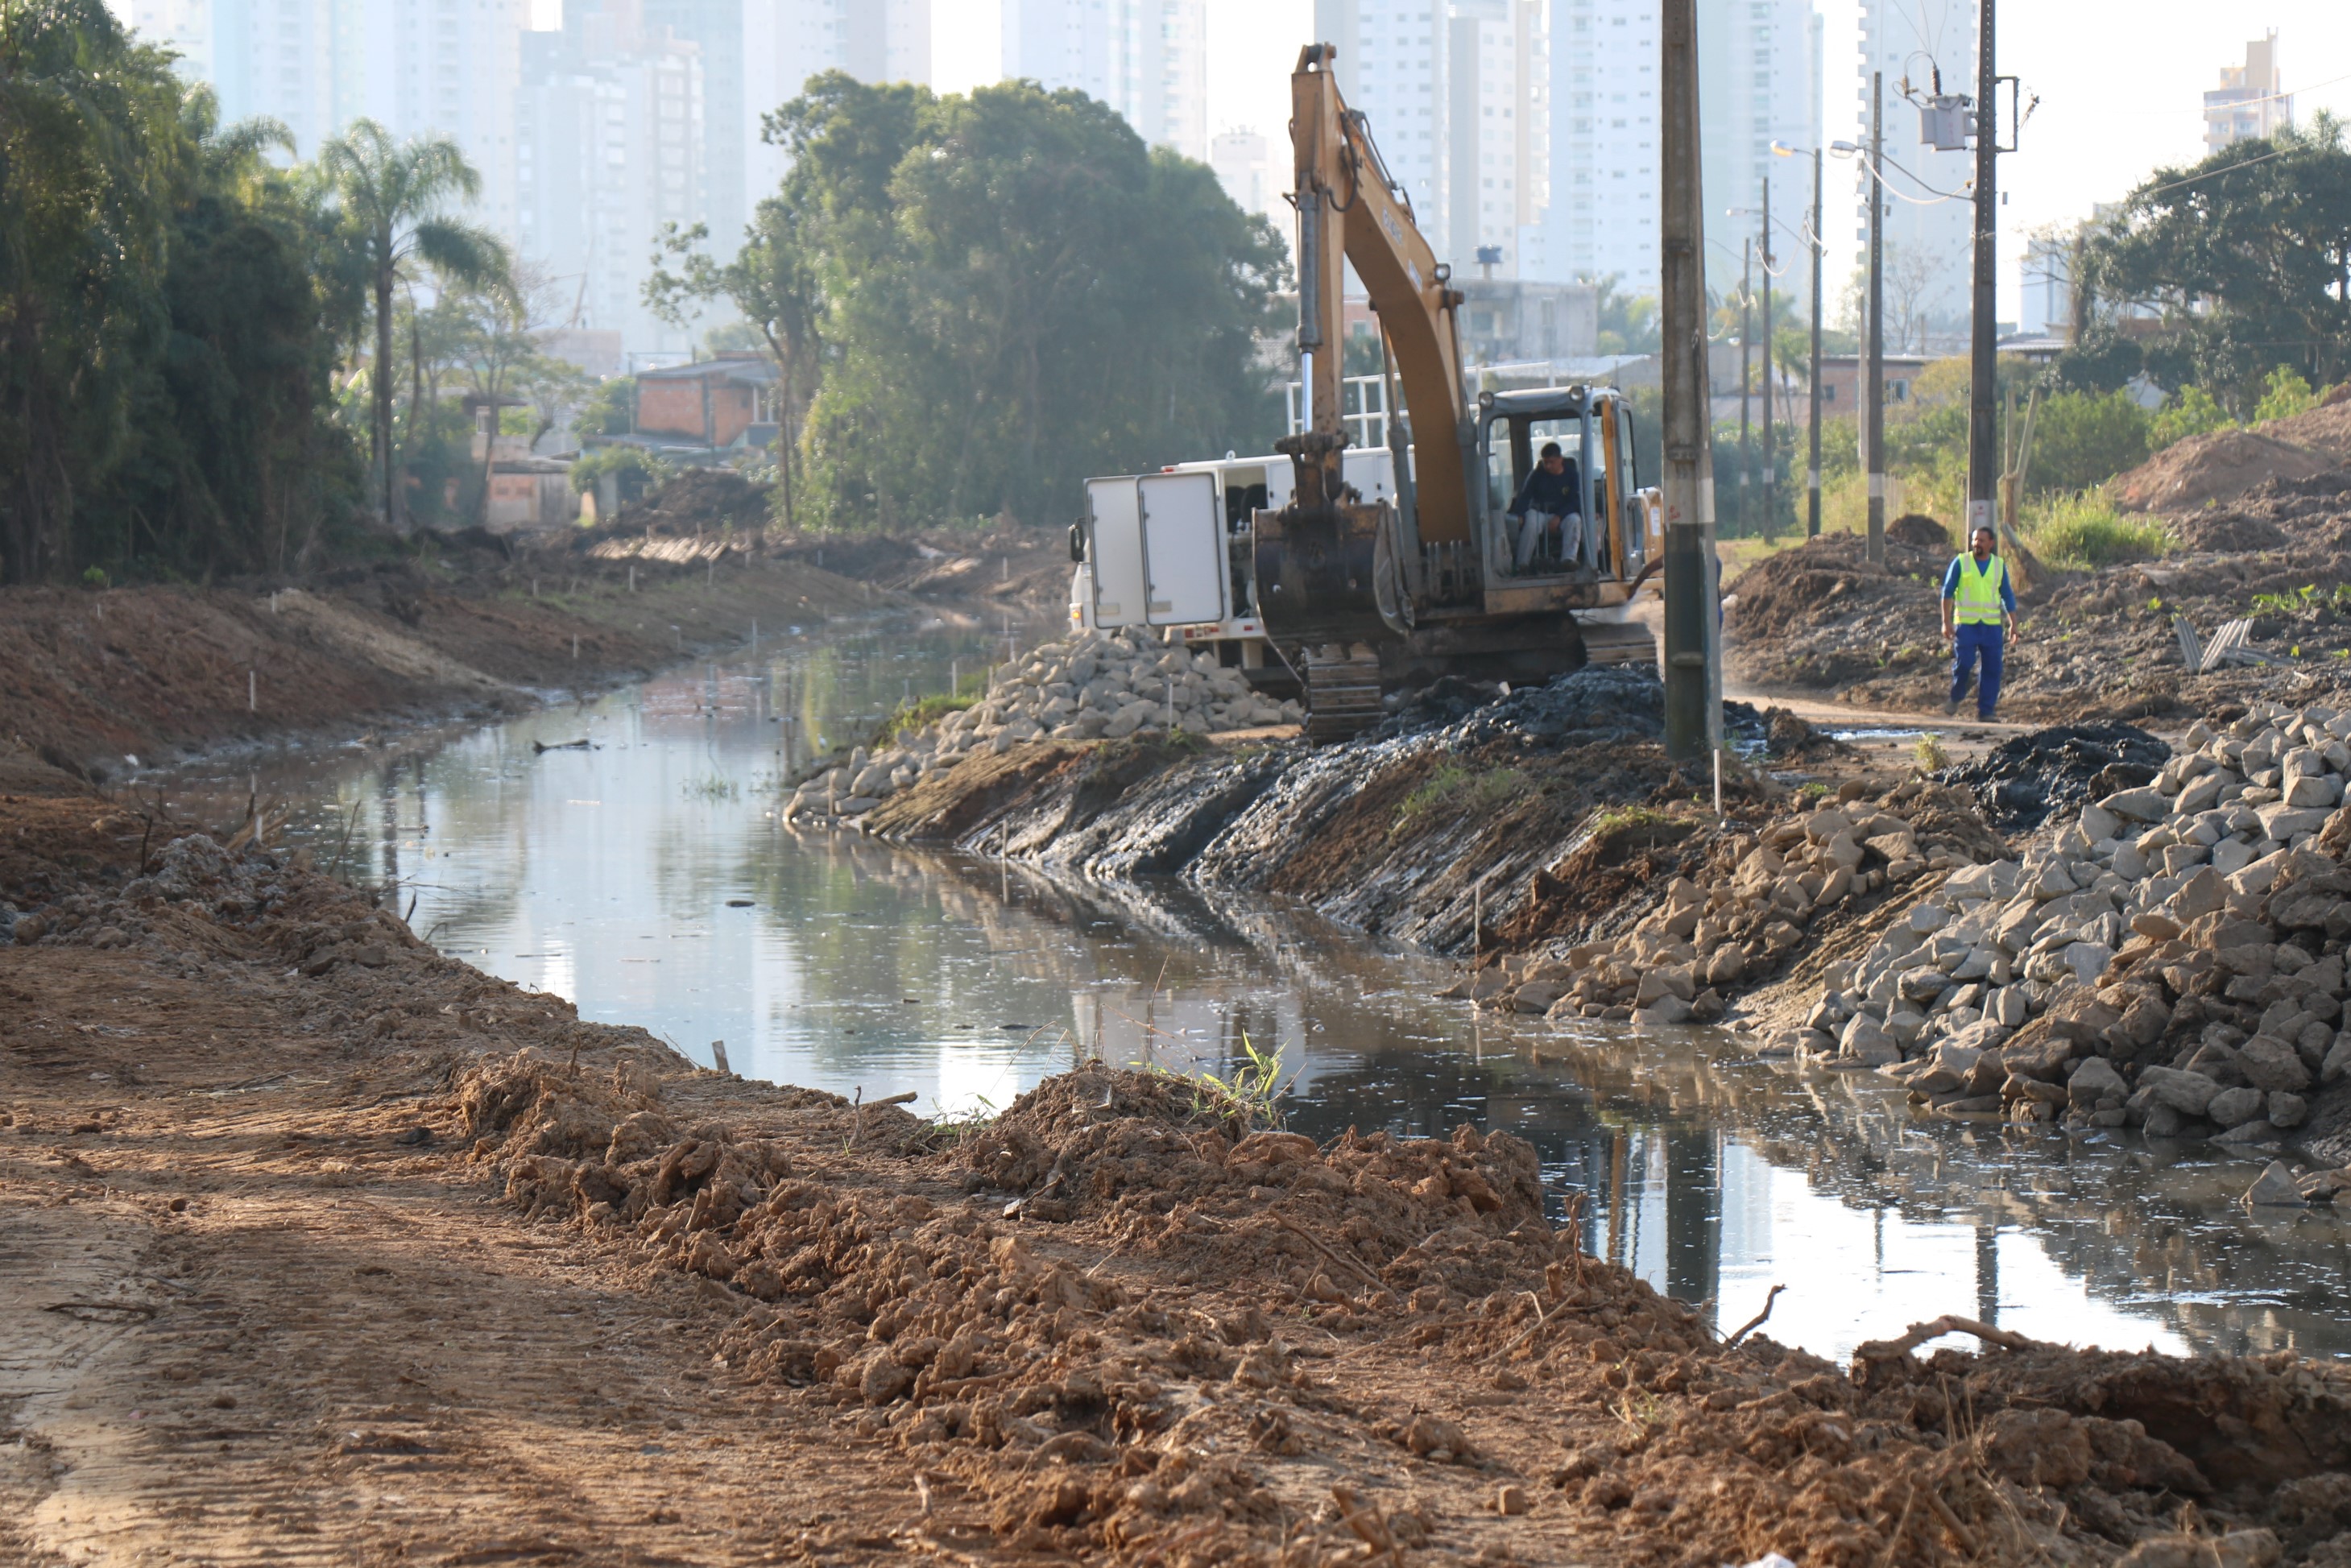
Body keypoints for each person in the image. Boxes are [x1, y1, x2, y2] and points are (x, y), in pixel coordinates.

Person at [1941, 523, 2019, 720]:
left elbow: (2007, 596)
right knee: (1965, 663)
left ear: (1991, 543)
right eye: (1975, 540)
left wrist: (2013, 625)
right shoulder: (1961, 562)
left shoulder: (1999, 565)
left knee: (1993, 668)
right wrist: (1946, 621)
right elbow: (1948, 592)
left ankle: (1986, 711)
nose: (1977, 544)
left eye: (1981, 541)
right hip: (1966, 625)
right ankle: (1957, 695)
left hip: (1992, 626)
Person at [1506, 441, 1583, 572]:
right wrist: (1520, 514)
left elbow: (1575, 501)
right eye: (1545, 462)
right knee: (1530, 518)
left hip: (1562, 516)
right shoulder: (1537, 475)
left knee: (1575, 520)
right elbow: (1525, 495)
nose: (1548, 466)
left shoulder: (1572, 476)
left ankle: (1568, 560)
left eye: (1551, 462)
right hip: (1540, 514)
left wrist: (1559, 516)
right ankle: (1522, 564)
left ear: (1560, 459)